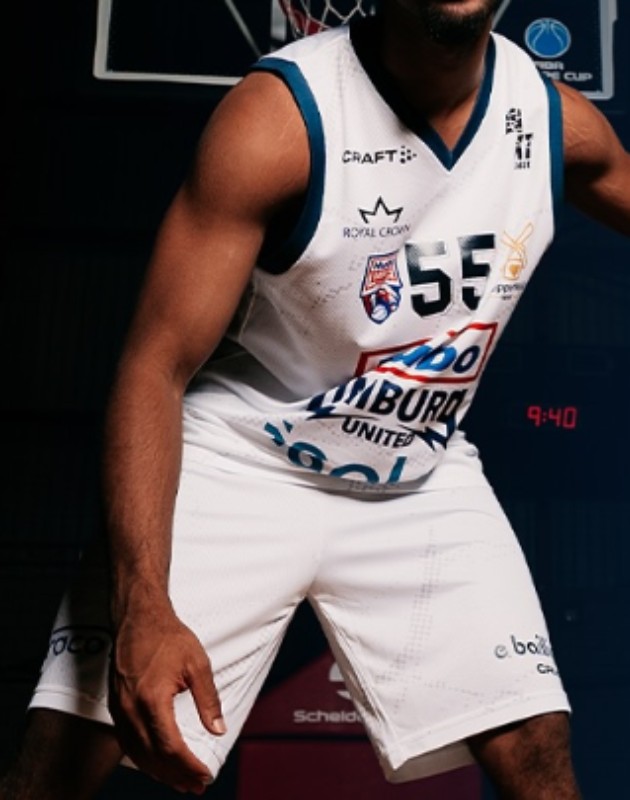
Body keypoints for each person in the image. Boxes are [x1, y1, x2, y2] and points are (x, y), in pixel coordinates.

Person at [2, 1, 630, 797]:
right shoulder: (282, 117)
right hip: (240, 457)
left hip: (418, 471)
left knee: (535, 742)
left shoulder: (551, 121)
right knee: (63, 755)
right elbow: (153, 364)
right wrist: (144, 604)